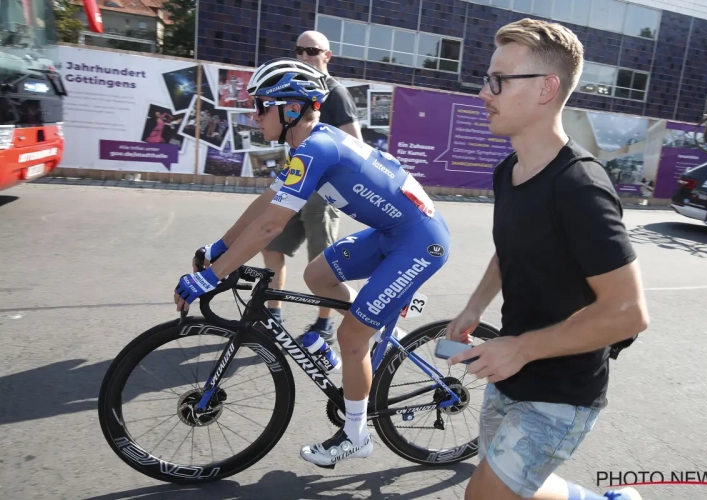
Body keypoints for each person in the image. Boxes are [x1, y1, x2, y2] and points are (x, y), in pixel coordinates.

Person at [173, 58, 450, 468]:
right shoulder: (307, 145)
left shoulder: (318, 147)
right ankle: (378, 315)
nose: (255, 115)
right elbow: (266, 204)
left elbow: (270, 229)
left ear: (291, 109)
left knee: (351, 338)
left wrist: (213, 275)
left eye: (261, 105)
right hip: (394, 233)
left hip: (420, 242)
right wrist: (218, 248)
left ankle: (356, 435)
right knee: (316, 273)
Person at [443, 19, 649, 500]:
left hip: (562, 390)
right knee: (521, 489)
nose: (483, 91)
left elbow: (629, 312)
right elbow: (511, 245)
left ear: (546, 88)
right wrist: (474, 307)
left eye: (498, 79)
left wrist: (521, 348)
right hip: (510, 373)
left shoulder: (580, 186)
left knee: (485, 495)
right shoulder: (508, 172)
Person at [261, 30, 364, 344]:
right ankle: (273, 315)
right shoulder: (294, 89)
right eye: (299, 50)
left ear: (327, 56)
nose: (305, 56)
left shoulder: (336, 93)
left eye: (312, 51)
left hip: (323, 190)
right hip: (297, 182)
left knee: (321, 263)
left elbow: (356, 144)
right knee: (270, 246)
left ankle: (324, 324)